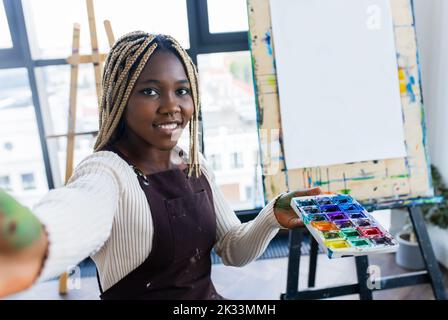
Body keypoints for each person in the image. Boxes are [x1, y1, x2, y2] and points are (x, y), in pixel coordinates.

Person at [0, 32, 321, 299]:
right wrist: (34, 242)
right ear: (120, 99)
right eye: (150, 91)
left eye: (182, 91)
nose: (171, 106)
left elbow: (233, 251)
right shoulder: (106, 172)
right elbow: (75, 213)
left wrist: (271, 217)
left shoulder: (193, 163)